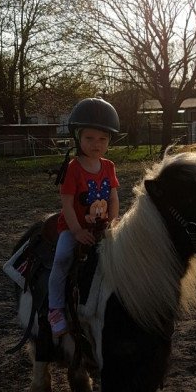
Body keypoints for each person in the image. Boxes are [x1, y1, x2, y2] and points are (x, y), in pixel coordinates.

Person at [48, 98, 120, 336]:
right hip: (73, 226)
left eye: (102, 139)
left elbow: (113, 198)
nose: (96, 144)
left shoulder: (108, 166)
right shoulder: (73, 168)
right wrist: (77, 231)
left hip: (101, 226)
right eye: (89, 138)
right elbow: (67, 204)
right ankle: (55, 308)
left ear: (109, 141)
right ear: (78, 137)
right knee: (61, 260)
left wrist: (113, 222)